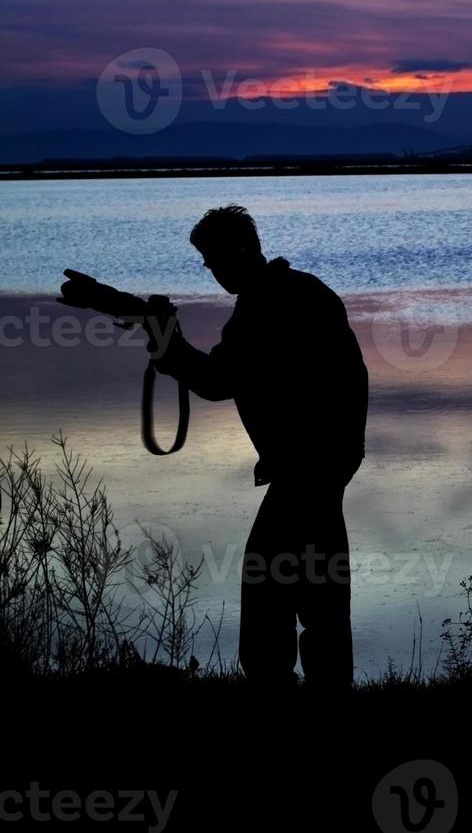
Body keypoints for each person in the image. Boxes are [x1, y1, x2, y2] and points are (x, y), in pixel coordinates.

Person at [149, 204, 368, 690]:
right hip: (323, 464)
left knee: (272, 580)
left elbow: (215, 378)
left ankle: (276, 687)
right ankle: (324, 686)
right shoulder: (298, 292)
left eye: (216, 258)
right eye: (206, 262)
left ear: (245, 249)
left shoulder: (267, 305)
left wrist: (165, 341)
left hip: (307, 467)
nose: (213, 270)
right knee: (318, 583)